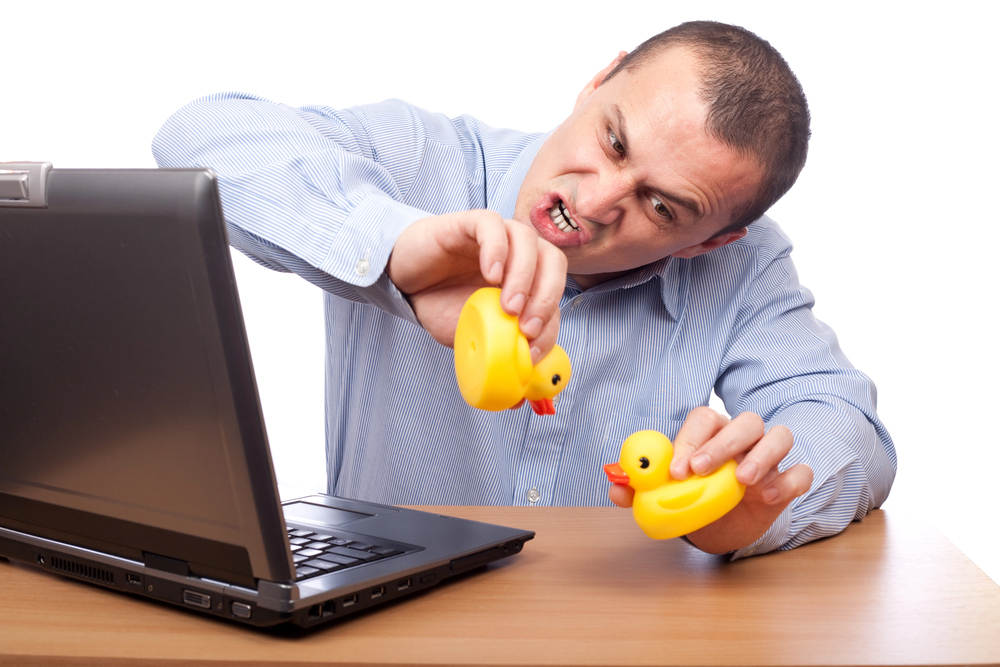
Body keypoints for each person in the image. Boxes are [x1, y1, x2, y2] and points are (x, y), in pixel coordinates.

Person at [152, 21, 895, 558]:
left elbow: (848, 425)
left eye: (661, 205)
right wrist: (393, 248)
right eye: (611, 141)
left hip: (606, 633)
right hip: (382, 621)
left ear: (711, 240)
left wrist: (753, 504)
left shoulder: (742, 267)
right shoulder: (422, 161)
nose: (597, 200)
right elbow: (198, 137)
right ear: (598, 80)